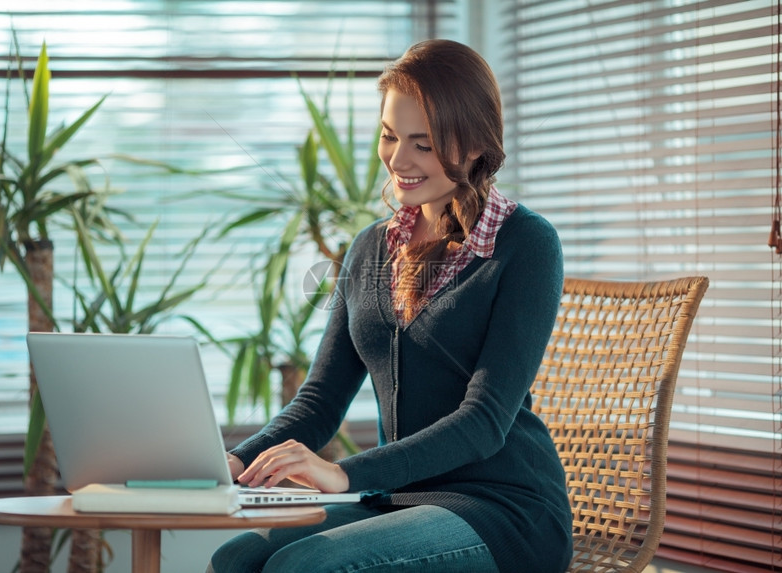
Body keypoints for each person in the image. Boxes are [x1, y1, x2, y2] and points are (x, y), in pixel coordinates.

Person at [208, 39, 572, 573]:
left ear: (473, 146)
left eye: (422, 145)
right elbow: (321, 400)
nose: (398, 160)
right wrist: (236, 460)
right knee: (237, 558)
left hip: (504, 511)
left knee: (304, 566)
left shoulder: (527, 243)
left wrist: (346, 475)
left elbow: (485, 420)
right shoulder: (370, 247)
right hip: (399, 499)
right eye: (389, 136)